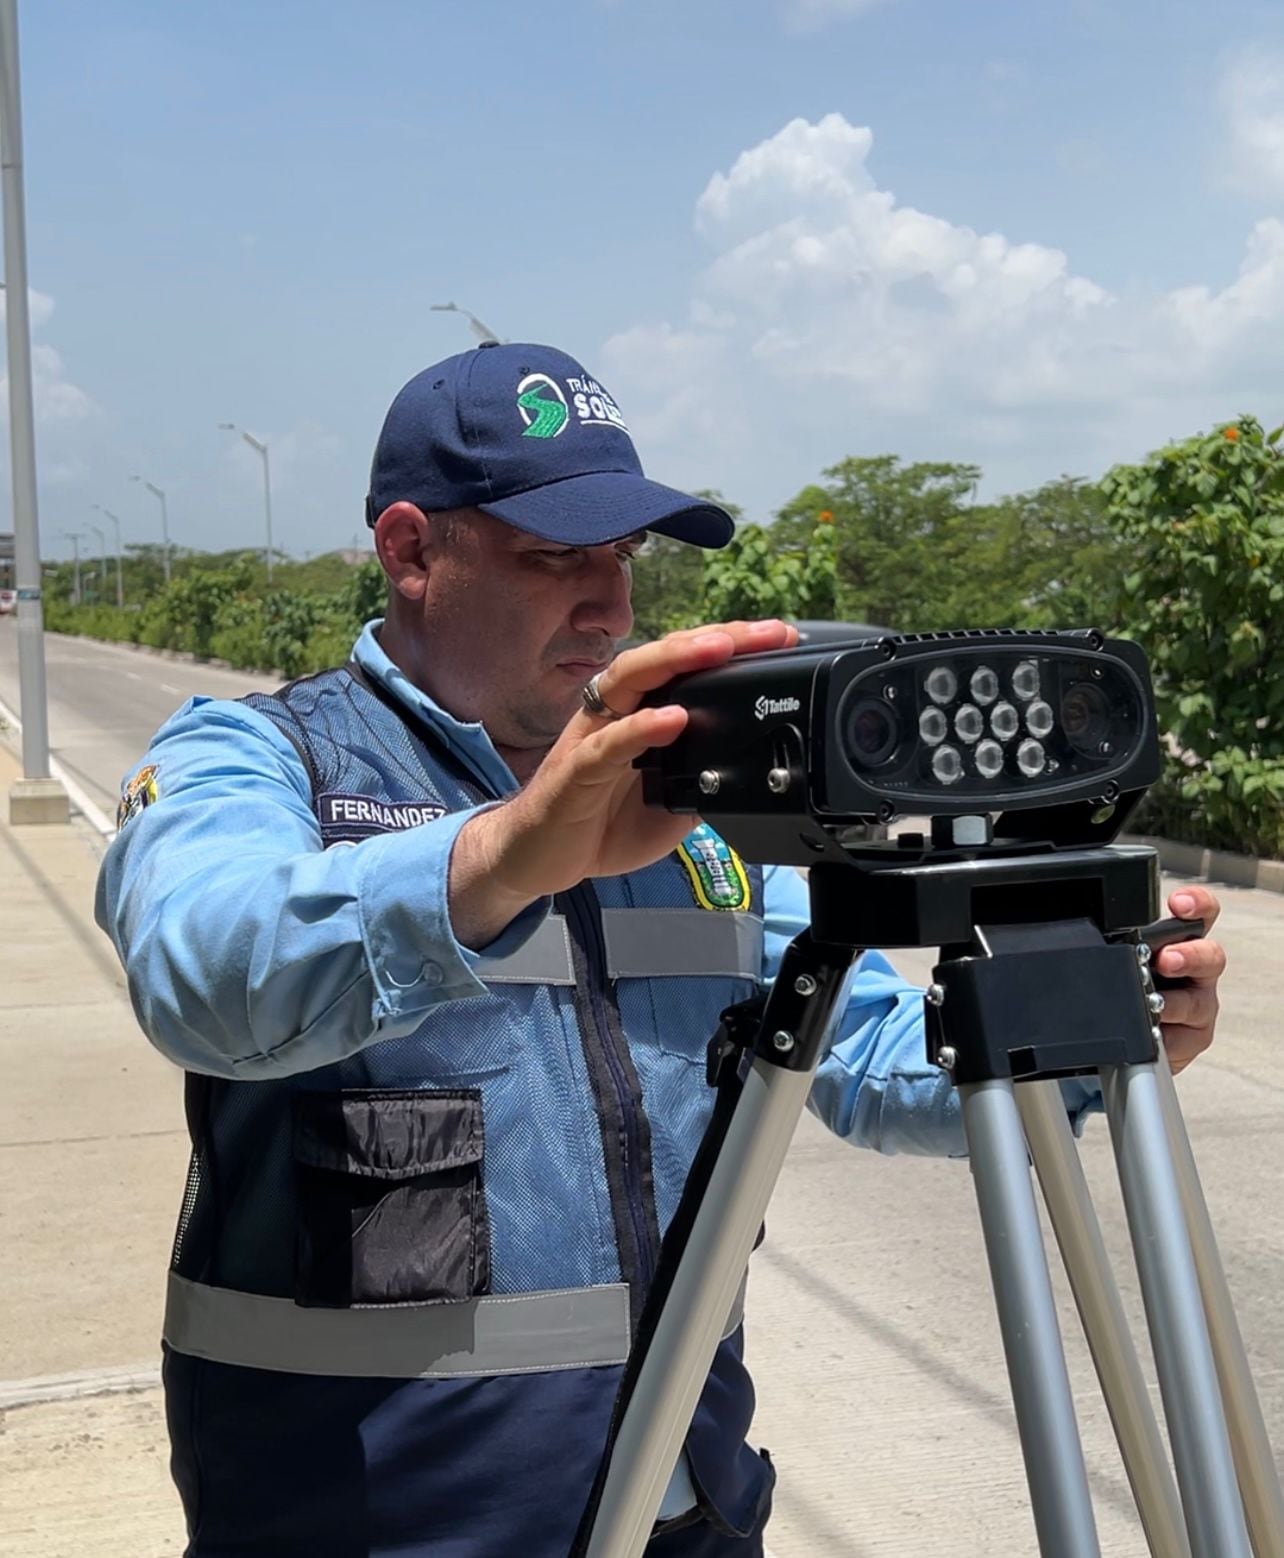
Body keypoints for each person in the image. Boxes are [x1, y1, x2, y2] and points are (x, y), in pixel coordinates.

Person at [96, 342, 1226, 1558]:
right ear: (413, 549)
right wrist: (504, 855)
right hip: (370, 1529)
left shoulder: (695, 803)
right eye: (553, 556)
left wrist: (1079, 1029)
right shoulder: (259, 757)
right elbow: (200, 973)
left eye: (622, 556)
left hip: (682, 1516)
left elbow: (870, 1055)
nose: (611, 604)